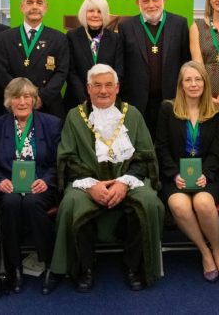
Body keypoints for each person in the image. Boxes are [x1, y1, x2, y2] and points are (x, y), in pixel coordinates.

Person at [43, 64, 164, 294]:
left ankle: (134, 267)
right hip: (87, 182)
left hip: (128, 180)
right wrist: (92, 186)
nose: (103, 90)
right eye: (97, 85)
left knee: (148, 202)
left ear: (117, 88)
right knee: (72, 203)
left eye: (109, 85)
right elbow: (66, 157)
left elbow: (146, 155)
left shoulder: (133, 114)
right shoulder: (74, 116)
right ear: (88, 89)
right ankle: (84, 267)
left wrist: (124, 182)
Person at [155, 61, 219, 283]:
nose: (193, 84)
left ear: (205, 83)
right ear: (181, 84)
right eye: (188, 79)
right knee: (179, 204)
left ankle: (218, 250)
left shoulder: (216, 110)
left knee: (203, 204)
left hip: (207, 174)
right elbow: (161, 147)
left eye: (198, 79)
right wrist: (173, 174)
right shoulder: (167, 109)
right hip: (175, 175)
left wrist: (206, 174)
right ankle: (205, 252)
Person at [0, 78, 62, 294]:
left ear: (35, 100)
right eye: (16, 97)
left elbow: (59, 162)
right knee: (10, 202)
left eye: (27, 96)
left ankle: (49, 264)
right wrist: (0, 180)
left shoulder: (51, 123)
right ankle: (13, 267)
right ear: (8, 101)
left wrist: (46, 181)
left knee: (31, 202)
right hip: (8, 186)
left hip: (41, 185)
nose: (22, 101)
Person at [118, 0, 191, 135]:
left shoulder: (180, 24)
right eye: (145, 1)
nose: (151, 5)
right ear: (138, 3)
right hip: (136, 103)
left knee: (167, 145)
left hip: (172, 101)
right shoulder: (126, 27)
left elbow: (186, 63)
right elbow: (121, 66)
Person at [0, 0, 69, 118]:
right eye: (29, 2)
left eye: (39, 3)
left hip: (48, 107)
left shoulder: (59, 38)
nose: (34, 7)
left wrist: (41, 97)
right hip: (15, 106)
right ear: (21, 6)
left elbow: (61, 72)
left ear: (45, 7)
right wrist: (20, 97)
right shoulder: (4, 38)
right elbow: (2, 72)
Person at [65, 0, 123, 111]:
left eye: (99, 11)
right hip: (77, 101)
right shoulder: (72, 36)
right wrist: (87, 98)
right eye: (91, 11)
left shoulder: (115, 39)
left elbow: (119, 72)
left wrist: (104, 95)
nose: (95, 15)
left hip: (107, 100)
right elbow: (71, 72)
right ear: (84, 14)